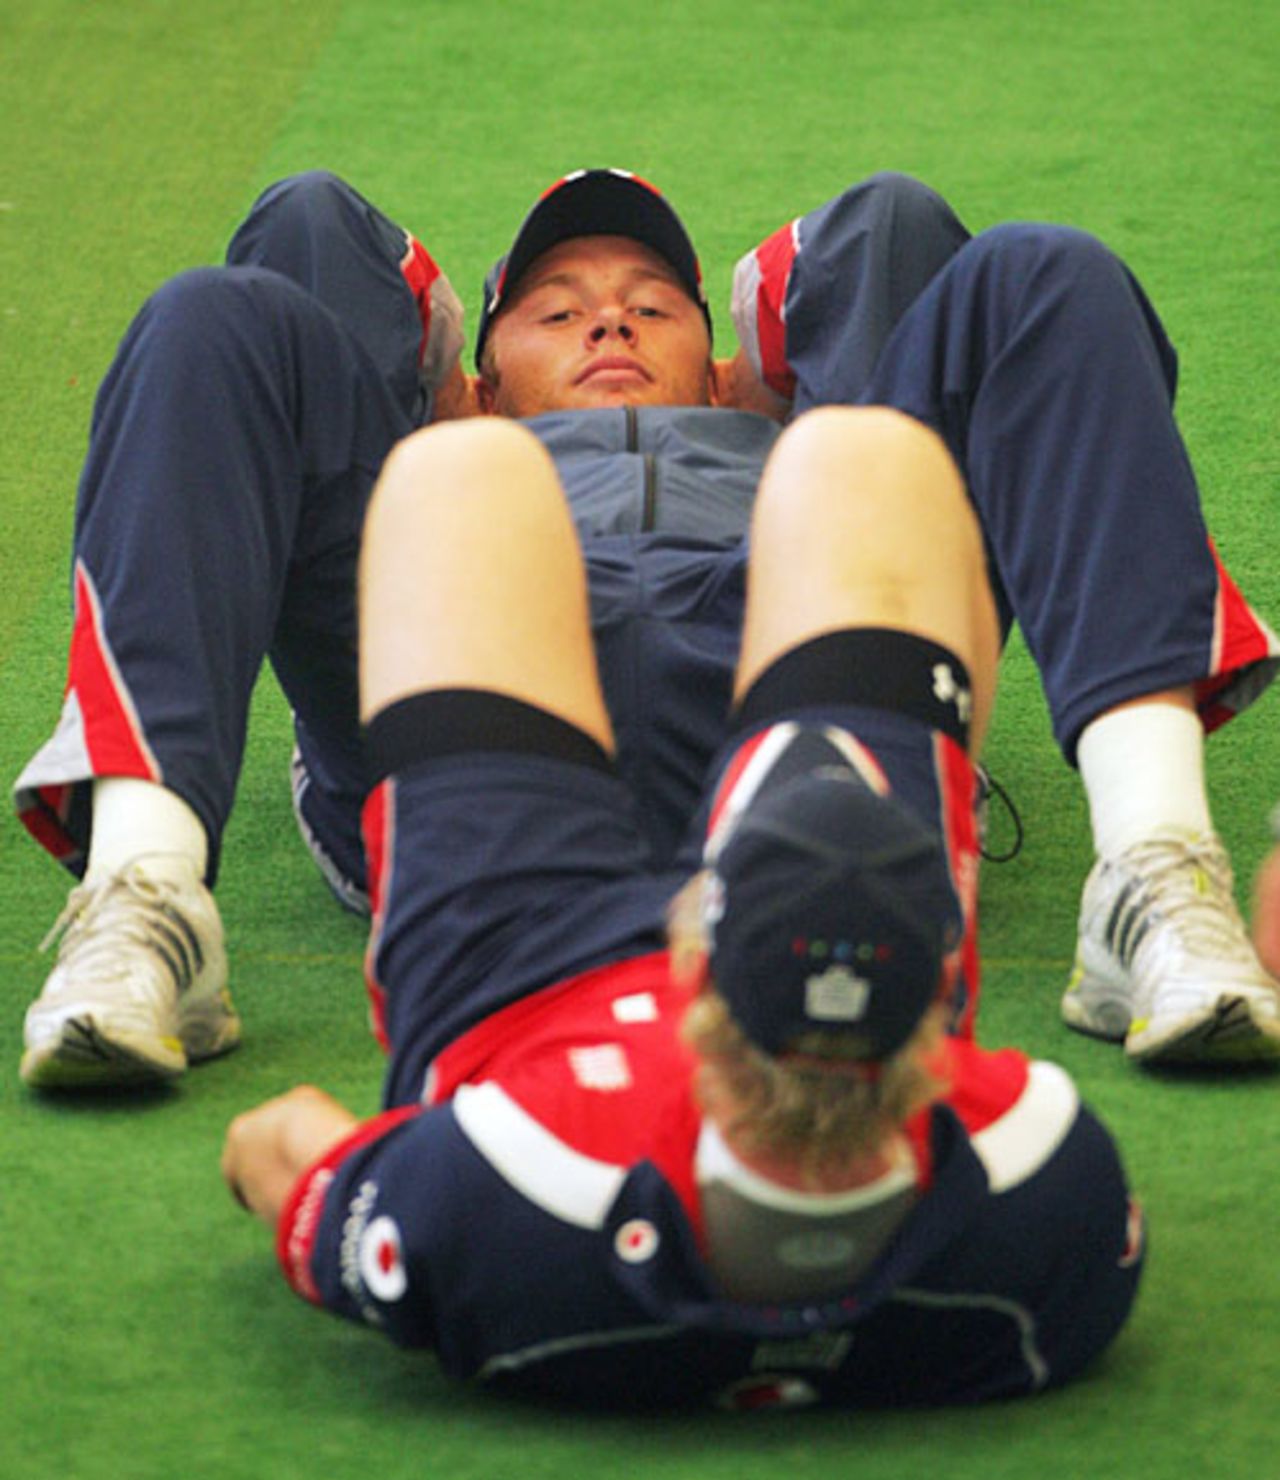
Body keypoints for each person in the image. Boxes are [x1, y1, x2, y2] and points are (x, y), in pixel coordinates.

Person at [15, 167, 1280, 1089]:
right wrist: (435, 409)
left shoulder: (810, 457)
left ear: (731, 369)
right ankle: (147, 898)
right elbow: (313, 273)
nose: (608, 320)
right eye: (555, 312)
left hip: (799, 695)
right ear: (477, 383)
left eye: (652, 305)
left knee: (1032, 266)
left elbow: (902, 270)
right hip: (468, 684)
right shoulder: (447, 468)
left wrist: (782, 396)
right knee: (216, 305)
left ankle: (1153, 880)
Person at [221, 405, 1145, 1408]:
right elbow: (299, 1151)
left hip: (508, 981)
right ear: (934, 1010)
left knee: (460, 472)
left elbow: (266, 1144)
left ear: (691, 958)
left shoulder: (503, 1184)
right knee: (869, 457)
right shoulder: (1052, 1192)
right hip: (794, 932)